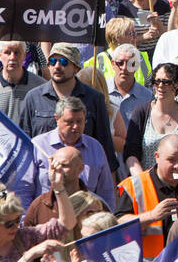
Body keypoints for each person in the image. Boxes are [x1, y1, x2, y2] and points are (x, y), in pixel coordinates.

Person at [18, 42, 116, 170]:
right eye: (52, 61)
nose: (57, 66)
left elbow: (105, 145)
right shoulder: (33, 97)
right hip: (43, 176)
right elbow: (23, 142)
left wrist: (110, 182)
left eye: (64, 62)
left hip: (83, 176)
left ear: (76, 68)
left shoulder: (94, 98)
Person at [114, 133, 178, 261]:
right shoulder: (133, 185)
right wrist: (152, 216)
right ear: (157, 157)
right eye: (171, 160)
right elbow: (117, 225)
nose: (177, 166)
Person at [124, 62, 178, 177]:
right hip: (146, 182)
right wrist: (142, 181)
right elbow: (131, 153)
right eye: (157, 81)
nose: (160, 86)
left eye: (166, 82)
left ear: (177, 84)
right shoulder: (141, 112)